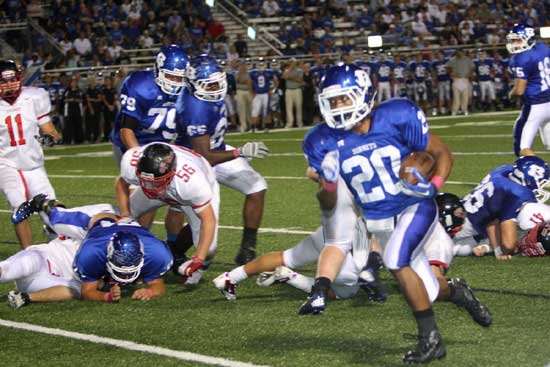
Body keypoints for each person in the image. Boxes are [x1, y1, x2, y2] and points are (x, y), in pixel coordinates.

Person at [308, 63, 453, 363]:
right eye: (332, 101)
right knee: (429, 290)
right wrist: (330, 183)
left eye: (344, 98)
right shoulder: (322, 140)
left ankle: (431, 339)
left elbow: (440, 154)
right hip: (380, 220)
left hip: (414, 205)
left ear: (363, 95)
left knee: (394, 260)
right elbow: (328, 204)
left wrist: (433, 186)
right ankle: (458, 293)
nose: (337, 107)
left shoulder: (396, 116)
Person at [175, 55, 269, 266]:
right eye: (209, 85)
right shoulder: (194, 108)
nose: (216, 88)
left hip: (215, 150)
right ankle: (174, 250)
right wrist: (240, 152)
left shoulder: (207, 96)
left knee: (257, 186)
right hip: (194, 163)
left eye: (218, 82)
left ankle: (247, 247)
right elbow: (205, 156)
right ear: (193, 84)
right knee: (208, 249)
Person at [10, 195, 173, 304]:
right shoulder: (91, 251)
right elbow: (88, 292)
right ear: (108, 254)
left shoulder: (157, 253)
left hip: (117, 224)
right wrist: (106, 295)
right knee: (57, 219)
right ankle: (40, 204)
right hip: (91, 220)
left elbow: (158, 285)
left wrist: (150, 292)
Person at [109, 45, 188, 258]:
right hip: (133, 141)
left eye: (180, 77)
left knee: (179, 197)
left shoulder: (188, 88)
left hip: (164, 143)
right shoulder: (139, 84)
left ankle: (174, 249)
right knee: (148, 195)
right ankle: (138, 245)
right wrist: (142, 160)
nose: (176, 82)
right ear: (158, 70)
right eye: (171, 76)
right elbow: (127, 130)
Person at [115, 142, 218, 285]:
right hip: (167, 185)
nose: (150, 187)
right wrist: (125, 214)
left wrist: (199, 257)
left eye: (155, 182)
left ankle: (197, 269)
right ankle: (120, 260)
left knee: (209, 249)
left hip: (186, 191)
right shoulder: (133, 163)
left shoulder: (192, 182)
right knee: (118, 219)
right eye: (145, 180)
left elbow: (208, 220)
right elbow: (121, 183)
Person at [0, 60, 60, 248]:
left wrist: (50, 137)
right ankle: (28, 254)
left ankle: (56, 247)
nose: (10, 85)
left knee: (51, 209)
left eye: (13, 80)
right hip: (6, 163)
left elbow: (49, 128)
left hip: (33, 164)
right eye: (4, 81)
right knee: (19, 206)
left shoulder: (34, 96)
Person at [450, 156, 550, 259]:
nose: (541, 187)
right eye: (541, 183)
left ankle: (483, 243)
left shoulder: (504, 170)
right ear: (527, 180)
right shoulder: (518, 193)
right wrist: (501, 251)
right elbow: (508, 245)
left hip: (463, 208)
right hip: (462, 227)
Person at [507, 24, 550, 157]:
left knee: (522, 148)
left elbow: (520, 90)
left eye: (518, 40)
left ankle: (535, 175)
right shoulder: (542, 47)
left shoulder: (520, 58)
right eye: (513, 40)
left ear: (529, 39)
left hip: (535, 106)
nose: (515, 43)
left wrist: (511, 93)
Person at [249, 58, 278, 131]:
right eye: (260, 64)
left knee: (266, 110)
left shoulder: (269, 72)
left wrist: (273, 90)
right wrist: (251, 92)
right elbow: (249, 83)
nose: (261, 66)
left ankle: (267, 127)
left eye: (262, 64)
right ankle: (253, 127)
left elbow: (276, 81)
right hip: (257, 94)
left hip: (265, 94)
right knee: (255, 111)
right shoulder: (253, 73)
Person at [447, 49, 475, 116]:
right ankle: (454, 111)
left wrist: (470, 74)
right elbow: (447, 67)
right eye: (458, 52)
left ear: (462, 52)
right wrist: (451, 73)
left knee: (465, 96)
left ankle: (464, 110)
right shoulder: (453, 60)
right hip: (456, 79)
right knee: (456, 97)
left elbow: (473, 67)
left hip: (464, 78)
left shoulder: (467, 59)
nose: (459, 53)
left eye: (460, 52)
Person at [282, 58, 304, 128]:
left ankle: (299, 123)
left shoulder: (299, 70)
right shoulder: (286, 70)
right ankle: (289, 123)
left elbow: (300, 80)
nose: (292, 64)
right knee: (289, 108)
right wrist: (290, 72)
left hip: (297, 89)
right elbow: (284, 76)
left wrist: (290, 78)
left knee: (298, 107)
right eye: (291, 63)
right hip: (289, 90)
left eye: (293, 63)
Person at [62, 78, 84, 144]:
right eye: (72, 82)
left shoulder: (79, 91)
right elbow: (63, 100)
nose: (74, 84)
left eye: (75, 82)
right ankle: (68, 140)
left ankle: (79, 140)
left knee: (78, 125)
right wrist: (69, 100)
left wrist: (77, 100)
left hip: (78, 110)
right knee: (68, 126)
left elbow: (83, 100)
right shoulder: (67, 91)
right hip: (69, 111)